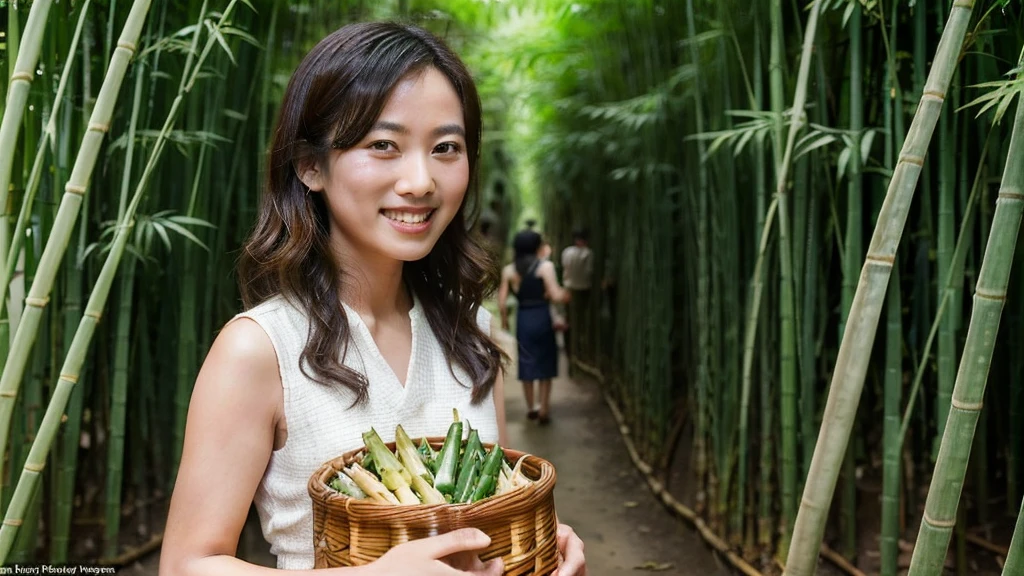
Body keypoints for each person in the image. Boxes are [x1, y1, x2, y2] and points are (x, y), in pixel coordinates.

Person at [160, 21, 586, 576]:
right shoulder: (260, 349)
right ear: (310, 165)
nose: (420, 181)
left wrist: (543, 554)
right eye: (383, 145)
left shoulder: (471, 331)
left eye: (446, 148)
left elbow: (488, 519)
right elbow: (187, 564)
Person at [498, 230, 569, 425]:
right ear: (537, 247)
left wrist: (504, 320)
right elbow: (555, 295)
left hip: (524, 318)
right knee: (545, 361)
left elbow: (502, 302)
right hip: (542, 316)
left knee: (527, 361)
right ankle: (544, 408)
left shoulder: (509, 270)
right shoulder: (545, 267)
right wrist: (567, 294)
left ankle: (531, 408)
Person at [560, 229, 593, 369]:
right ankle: (579, 352)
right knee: (581, 321)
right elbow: (588, 272)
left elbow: (565, 269)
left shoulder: (567, 251)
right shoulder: (588, 253)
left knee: (569, 320)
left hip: (568, 289)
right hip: (583, 291)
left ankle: (570, 350)